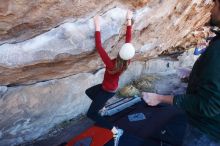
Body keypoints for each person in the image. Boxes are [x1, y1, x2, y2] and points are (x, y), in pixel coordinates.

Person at [141, 0, 220, 146]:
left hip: (207, 132)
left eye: (216, 4)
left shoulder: (218, 50)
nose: (212, 9)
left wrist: (160, 98)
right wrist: (195, 76)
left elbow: (209, 105)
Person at [85, 10, 135, 145]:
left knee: (91, 115)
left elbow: (99, 47)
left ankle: (115, 131)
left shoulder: (111, 64)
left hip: (106, 91)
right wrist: (129, 20)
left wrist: (97, 25)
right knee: (89, 92)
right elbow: (128, 40)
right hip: (108, 89)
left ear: (120, 52)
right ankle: (102, 107)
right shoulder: (127, 61)